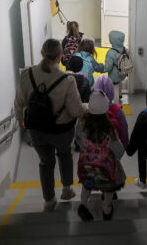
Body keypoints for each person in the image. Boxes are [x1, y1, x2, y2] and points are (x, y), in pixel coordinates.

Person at [14, 39, 87, 211]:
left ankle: (49, 200)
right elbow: (76, 109)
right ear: (61, 56)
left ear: (42, 52)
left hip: (36, 129)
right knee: (64, 155)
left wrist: (19, 119)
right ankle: (67, 189)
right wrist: (87, 110)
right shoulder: (67, 80)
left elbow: (19, 102)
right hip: (61, 130)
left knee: (45, 162)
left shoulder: (27, 74)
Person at [76, 90, 126, 222]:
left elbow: (78, 141)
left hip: (87, 165)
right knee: (109, 185)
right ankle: (106, 207)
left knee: (87, 183)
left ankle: (83, 204)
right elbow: (119, 151)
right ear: (105, 108)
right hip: (105, 168)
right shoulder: (109, 129)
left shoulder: (81, 124)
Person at [94, 75, 129, 147]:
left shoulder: (89, 109)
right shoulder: (118, 110)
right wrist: (125, 144)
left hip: (93, 152)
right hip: (113, 151)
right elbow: (124, 130)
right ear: (111, 89)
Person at [103, 30, 128, 103]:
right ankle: (120, 95)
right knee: (120, 83)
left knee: (115, 90)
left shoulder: (111, 53)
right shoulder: (124, 49)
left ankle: (116, 105)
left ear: (112, 40)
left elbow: (108, 67)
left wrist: (102, 69)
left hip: (114, 75)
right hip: (123, 72)